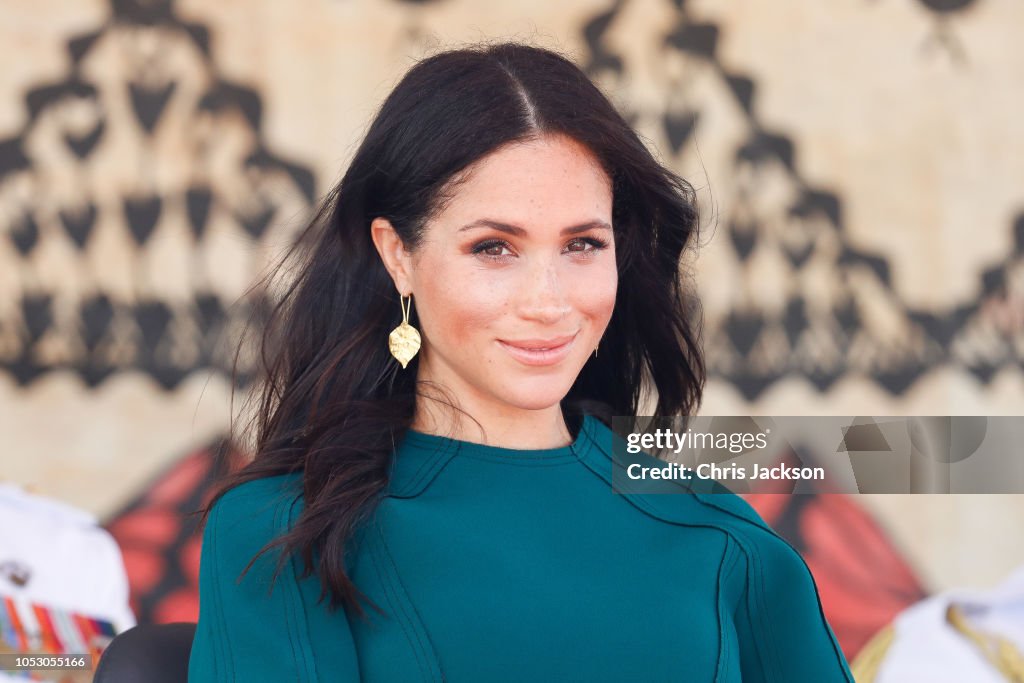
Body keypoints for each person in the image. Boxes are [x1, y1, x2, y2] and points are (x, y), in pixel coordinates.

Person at [187, 42, 853, 682]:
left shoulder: (719, 533)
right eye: (494, 248)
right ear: (399, 256)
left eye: (583, 245)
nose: (548, 301)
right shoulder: (281, 531)